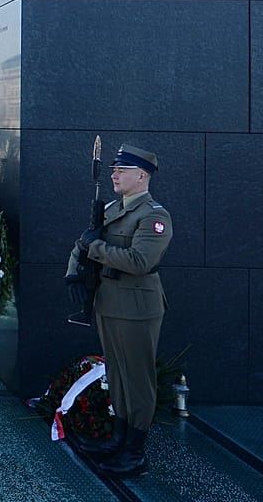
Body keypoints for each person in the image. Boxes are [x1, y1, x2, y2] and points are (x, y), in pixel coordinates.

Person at [64, 145, 172, 477]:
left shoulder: (154, 216)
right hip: (108, 303)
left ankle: (135, 453)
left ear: (142, 176)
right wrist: (73, 272)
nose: (114, 174)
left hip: (137, 307)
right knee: (118, 377)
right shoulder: (113, 209)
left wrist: (93, 247)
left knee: (137, 380)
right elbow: (83, 243)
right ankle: (119, 439)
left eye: (122, 170)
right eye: (113, 169)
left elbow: (140, 262)